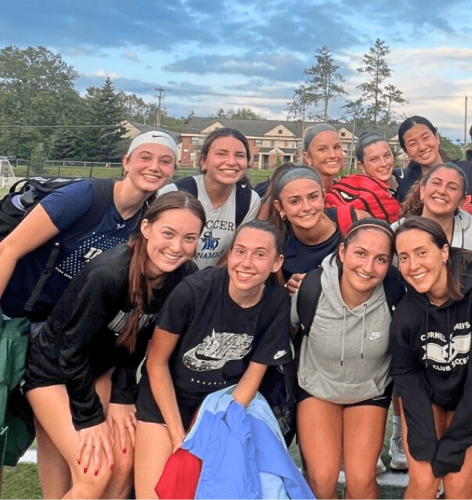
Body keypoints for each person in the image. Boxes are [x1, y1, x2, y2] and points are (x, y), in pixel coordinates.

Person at [0, 130, 179, 499]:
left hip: (56, 331)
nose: (154, 166)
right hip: (4, 313)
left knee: (51, 429)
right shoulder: (85, 198)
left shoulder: (146, 222)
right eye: (145, 156)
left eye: (164, 160)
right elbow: (5, 252)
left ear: (173, 171)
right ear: (126, 162)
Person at [23, 191, 205, 499]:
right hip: (53, 374)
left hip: (99, 372)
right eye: (168, 233)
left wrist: (122, 396)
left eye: (189, 238)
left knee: (123, 464)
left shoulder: (183, 277)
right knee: (95, 472)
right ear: (146, 229)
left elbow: (139, 341)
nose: (176, 247)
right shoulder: (108, 275)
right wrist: (90, 419)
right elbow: (71, 352)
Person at [133, 220, 291, 499]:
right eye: (240, 251)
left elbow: (252, 377)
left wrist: (213, 433)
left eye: (260, 254)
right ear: (229, 254)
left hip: (220, 407)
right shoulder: (193, 292)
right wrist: (178, 435)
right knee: (157, 494)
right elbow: (156, 364)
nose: (247, 263)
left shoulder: (276, 302)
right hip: (168, 401)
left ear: (276, 263)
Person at [390, 216, 472, 499]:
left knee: (458, 484)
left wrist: (454, 443)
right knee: (424, 481)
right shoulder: (406, 312)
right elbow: (406, 376)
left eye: (421, 253)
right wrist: (424, 441)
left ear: (444, 252)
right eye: (403, 257)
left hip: (471, 392)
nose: (413, 266)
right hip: (428, 393)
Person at [292, 219, 402, 499]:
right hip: (318, 386)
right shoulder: (311, 288)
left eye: (381, 259)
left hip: (368, 389)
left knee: (362, 480)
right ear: (342, 252)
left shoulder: (396, 293)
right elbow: (278, 329)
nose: (367, 268)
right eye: (360, 253)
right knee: (321, 479)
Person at [159, 127, 261, 268]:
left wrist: (208, 283)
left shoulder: (249, 200)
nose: (231, 162)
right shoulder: (175, 192)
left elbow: (234, 252)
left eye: (239, 155)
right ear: (203, 162)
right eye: (221, 154)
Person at [265, 166, 368, 296]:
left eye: (313, 197)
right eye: (295, 201)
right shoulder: (276, 242)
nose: (306, 207)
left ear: (324, 196)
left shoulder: (355, 222)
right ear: (280, 206)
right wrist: (286, 288)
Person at [394, 163, 472, 254]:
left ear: (462, 201)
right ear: (422, 190)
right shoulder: (396, 232)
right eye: (436, 183)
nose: (442, 191)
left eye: (452, 188)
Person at [325, 133, 400, 223]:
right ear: (362, 166)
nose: (383, 164)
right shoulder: (353, 189)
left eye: (387, 156)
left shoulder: (404, 181)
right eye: (374, 159)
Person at [394, 116, 453, 202]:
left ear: (437, 138)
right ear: (406, 152)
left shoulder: (469, 173)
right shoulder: (405, 187)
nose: (422, 147)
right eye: (413, 144)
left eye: (425, 138)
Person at [303, 124, 345, 190]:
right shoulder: (298, 193)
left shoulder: (348, 191)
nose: (333, 155)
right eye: (322, 149)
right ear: (308, 157)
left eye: (336, 147)